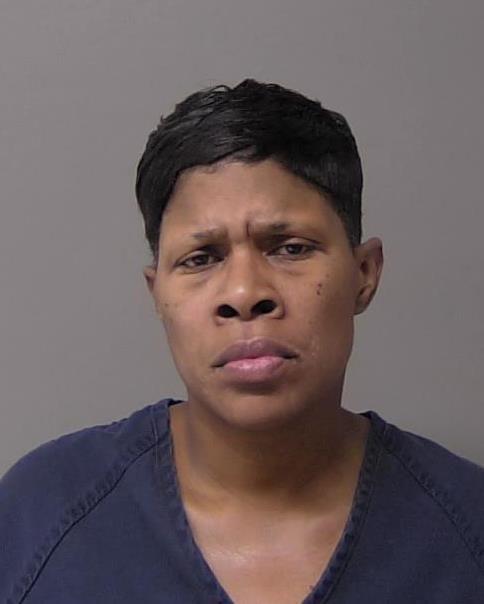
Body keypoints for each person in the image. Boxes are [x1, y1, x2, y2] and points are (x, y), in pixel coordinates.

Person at [1, 79, 483, 604]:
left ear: (364, 273)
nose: (244, 293)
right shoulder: (39, 514)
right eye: (201, 258)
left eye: (290, 248)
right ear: (157, 294)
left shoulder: (467, 528)